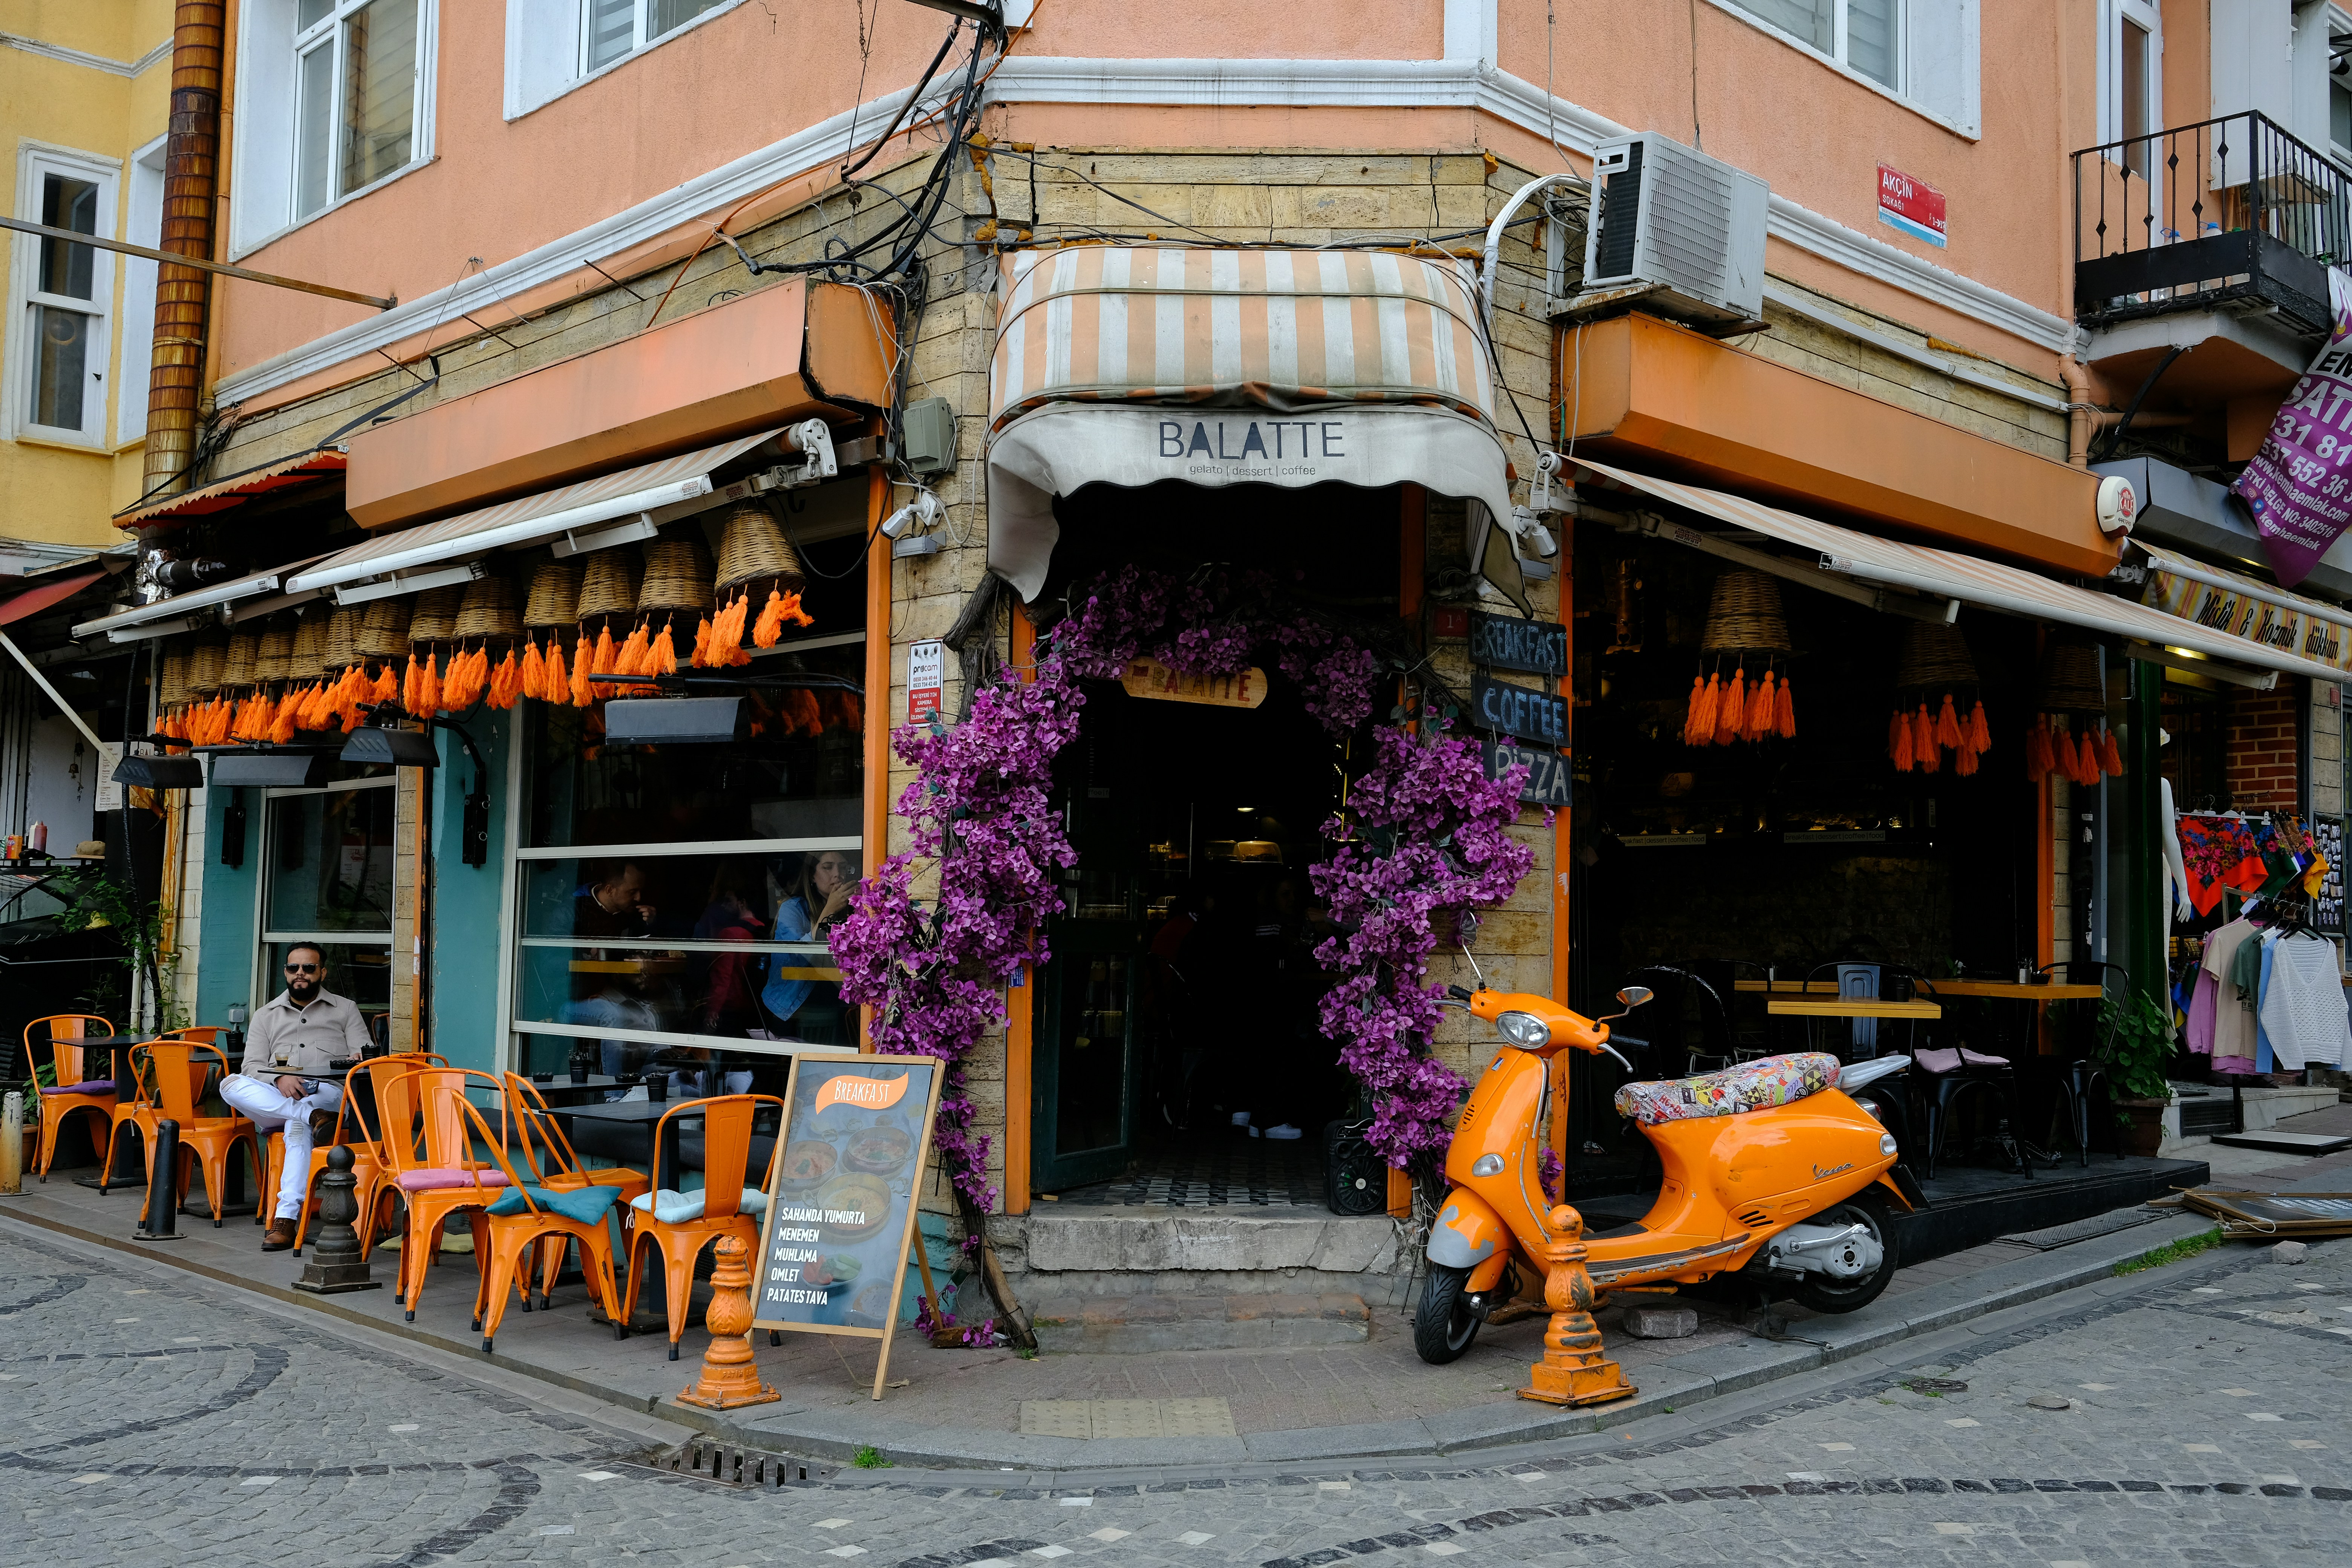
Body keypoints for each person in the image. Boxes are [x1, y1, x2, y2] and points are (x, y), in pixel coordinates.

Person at [218, 943, 374, 1251]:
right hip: (278, 1096)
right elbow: (251, 1066)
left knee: (297, 1126)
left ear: (322, 972)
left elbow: (364, 1058)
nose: (300, 974)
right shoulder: (266, 1015)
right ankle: (307, 1116)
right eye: (293, 968)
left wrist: (353, 1058)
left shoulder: (345, 1009)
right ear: (286, 972)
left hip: (326, 1095)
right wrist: (279, 1077)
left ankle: (286, 1218)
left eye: (308, 968)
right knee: (230, 1084)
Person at [761, 849, 857, 1041]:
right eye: (828, 868)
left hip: (837, 1001)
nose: (837, 874)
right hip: (793, 1004)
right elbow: (801, 956)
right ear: (812, 876)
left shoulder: (852, 909)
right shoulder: (793, 908)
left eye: (843, 868)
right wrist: (829, 910)